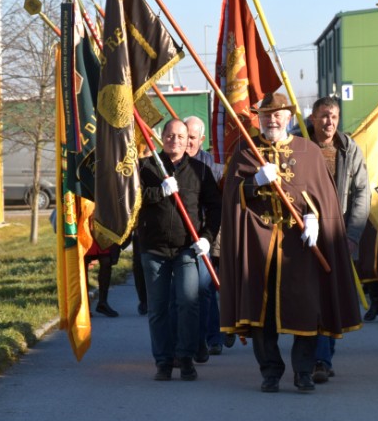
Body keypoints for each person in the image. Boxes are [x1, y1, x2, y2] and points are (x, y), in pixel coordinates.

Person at [219, 92, 362, 393]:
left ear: (288, 117)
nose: (272, 119)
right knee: (262, 313)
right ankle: (270, 371)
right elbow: (231, 197)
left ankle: (304, 371)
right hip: (258, 245)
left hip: (300, 246)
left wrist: (315, 218)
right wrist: (253, 183)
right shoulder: (246, 150)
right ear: (258, 118)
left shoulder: (308, 151)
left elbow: (323, 196)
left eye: (278, 114)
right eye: (267, 114)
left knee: (307, 308)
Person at [138, 119, 222, 381]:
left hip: (187, 248)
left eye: (181, 137)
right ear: (162, 137)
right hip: (154, 249)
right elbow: (131, 201)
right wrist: (157, 193)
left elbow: (215, 206)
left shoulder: (200, 170)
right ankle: (163, 361)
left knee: (188, 303)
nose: (175, 140)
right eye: (170, 135)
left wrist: (207, 238)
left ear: (189, 141)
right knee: (158, 308)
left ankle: (185, 357)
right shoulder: (146, 168)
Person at [306, 97, 369, 384]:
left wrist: (352, 235)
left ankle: (322, 357)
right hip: (303, 234)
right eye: (323, 116)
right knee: (311, 298)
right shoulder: (300, 146)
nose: (329, 122)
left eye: (333, 117)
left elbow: (361, 194)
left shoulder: (348, 149)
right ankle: (316, 357)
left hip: (336, 234)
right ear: (312, 118)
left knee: (331, 296)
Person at [183, 115, 228, 359]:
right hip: (179, 236)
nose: (187, 142)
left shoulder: (209, 164)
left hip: (204, 235)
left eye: (192, 138)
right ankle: (191, 340)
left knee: (205, 289)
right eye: (184, 136)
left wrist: (208, 235)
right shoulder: (171, 161)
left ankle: (213, 338)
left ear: (201, 139)